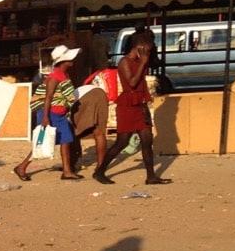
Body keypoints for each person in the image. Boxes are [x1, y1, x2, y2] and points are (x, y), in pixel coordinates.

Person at [94, 29, 171, 185]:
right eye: (147, 51)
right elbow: (132, 82)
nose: (148, 54)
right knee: (122, 142)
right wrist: (143, 62)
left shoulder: (141, 62)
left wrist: (145, 61)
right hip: (127, 105)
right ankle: (100, 171)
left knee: (147, 139)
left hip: (140, 104)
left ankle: (151, 176)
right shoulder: (125, 62)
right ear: (140, 47)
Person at [14, 45, 83, 182]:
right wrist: (46, 117)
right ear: (64, 61)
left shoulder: (63, 74)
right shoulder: (55, 76)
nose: (73, 61)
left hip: (59, 115)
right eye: (70, 59)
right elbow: (48, 97)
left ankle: (67, 171)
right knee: (44, 142)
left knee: (65, 140)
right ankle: (22, 167)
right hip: (51, 114)